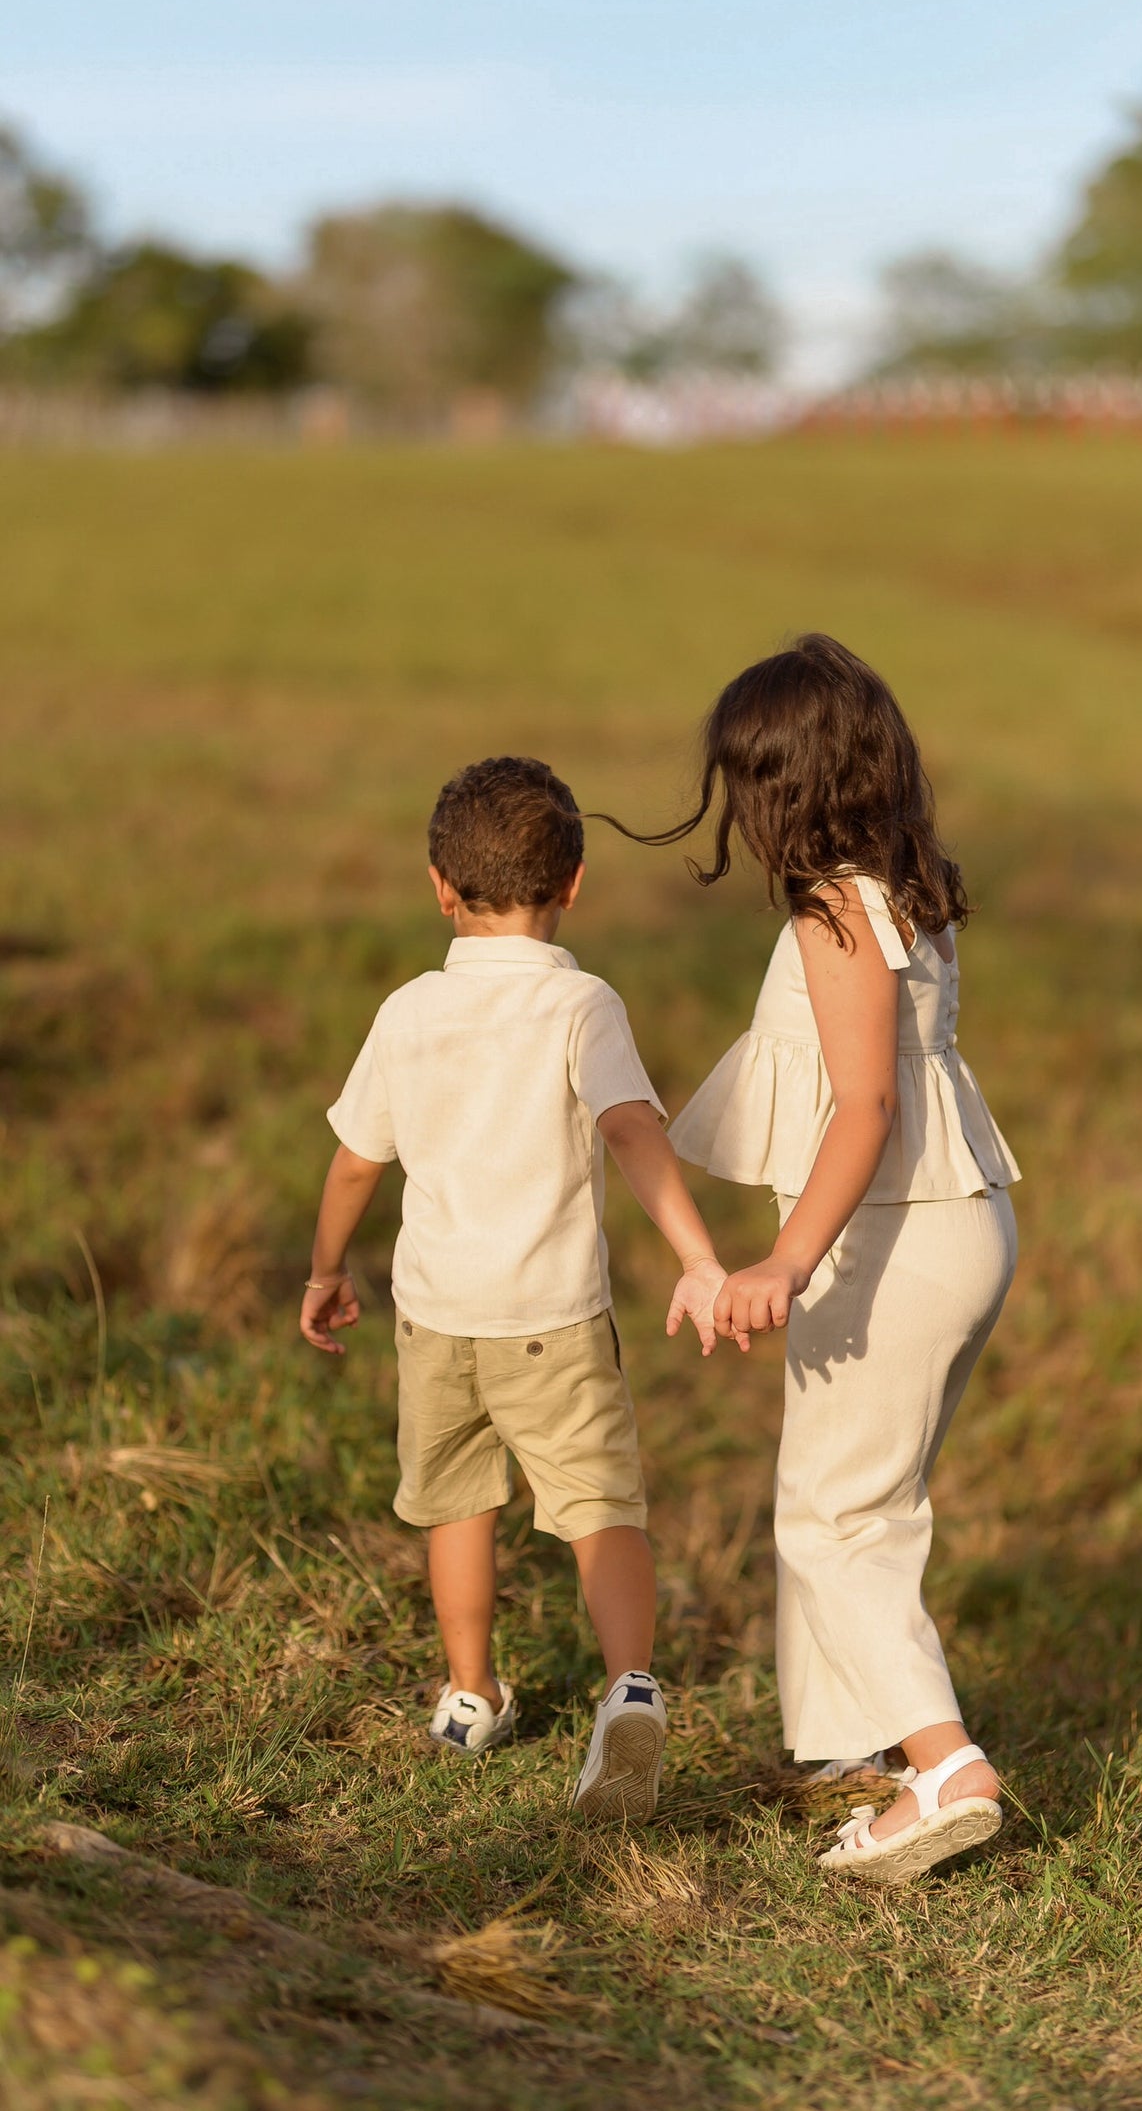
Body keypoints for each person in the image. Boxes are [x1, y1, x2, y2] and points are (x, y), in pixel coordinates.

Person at [613, 633, 1020, 1883]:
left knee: (834, 1517)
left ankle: (945, 1767)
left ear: (787, 785)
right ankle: (856, 1747)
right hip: (958, 1221)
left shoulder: (836, 909)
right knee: (862, 1497)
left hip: (893, 1238)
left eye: (747, 780)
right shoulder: (905, 886)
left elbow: (863, 1109)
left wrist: (783, 1259)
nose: (737, 807)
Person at [299, 756, 732, 1823]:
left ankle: (468, 1690)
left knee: (457, 1501)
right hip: (554, 1319)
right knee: (598, 1505)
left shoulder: (408, 1010)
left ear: (438, 884)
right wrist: (696, 1255)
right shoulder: (582, 1003)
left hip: (437, 1315)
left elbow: (358, 1158)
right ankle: (627, 1682)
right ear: (573, 882)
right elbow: (631, 1127)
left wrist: (322, 1268)